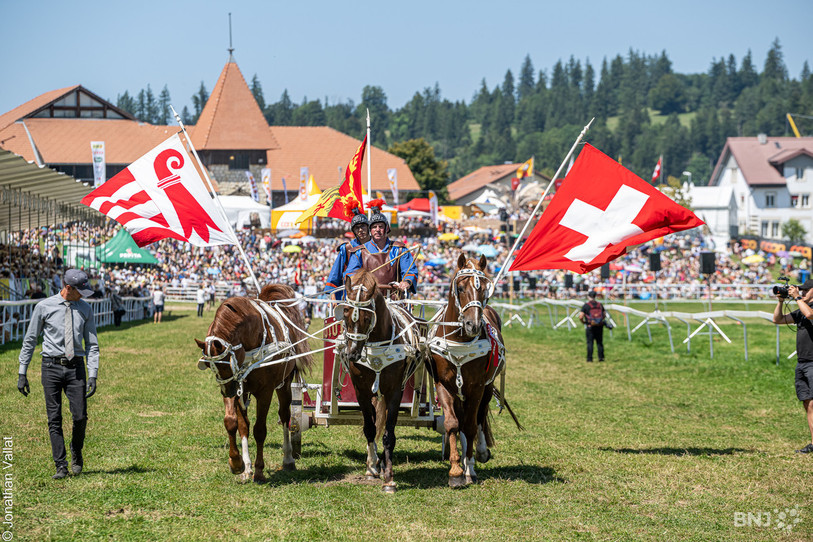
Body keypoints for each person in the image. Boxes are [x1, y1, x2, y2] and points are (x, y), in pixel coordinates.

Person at [17, 269, 99, 479]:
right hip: (50, 366)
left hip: (76, 367)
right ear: (68, 288)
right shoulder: (44, 307)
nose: (83, 295)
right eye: (79, 291)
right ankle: (60, 465)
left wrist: (93, 373)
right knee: (54, 418)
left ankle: (76, 451)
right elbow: (30, 339)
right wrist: (22, 372)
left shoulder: (85, 309)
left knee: (80, 417)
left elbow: (92, 345)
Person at [772, 278, 813, 453]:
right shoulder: (801, 310)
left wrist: (797, 298)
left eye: (805, 291)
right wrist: (781, 302)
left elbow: (810, 315)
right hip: (802, 362)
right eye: (800, 290)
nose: (802, 293)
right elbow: (778, 320)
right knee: (808, 404)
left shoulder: (809, 309)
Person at [344, 199, 417, 297]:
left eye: (381, 227)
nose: (377, 230)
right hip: (367, 300)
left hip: (394, 300)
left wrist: (406, 282)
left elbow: (410, 271)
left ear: (387, 228)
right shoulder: (359, 252)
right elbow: (351, 273)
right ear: (370, 230)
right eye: (374, 227)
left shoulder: (399, 250)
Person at [325, 202, 370, 300]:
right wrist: (332, 296)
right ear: (353, 231)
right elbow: (335, 274)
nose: (360, 230)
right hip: (350, 295)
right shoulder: (347, 249)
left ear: (368, 227)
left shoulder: (376, 246)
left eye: (363, 226)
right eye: (357, 228)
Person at [578, 290, 606, 362]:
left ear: (588, 297)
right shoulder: (600, 305)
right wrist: (598, 321)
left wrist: (584, 322)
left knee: (590, 342)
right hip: (599, 326)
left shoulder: (586, 305)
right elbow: (604, 315)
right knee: (599, 342)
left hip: (590, 326)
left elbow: (581, 316)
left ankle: (589, 358)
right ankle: (601, 357)